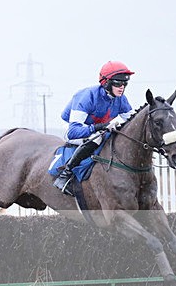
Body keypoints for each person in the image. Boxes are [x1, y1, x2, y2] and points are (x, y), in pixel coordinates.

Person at [53, 61, 135, 196]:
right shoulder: (87, 96)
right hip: (73, 127)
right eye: (117, 83)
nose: (122, 87)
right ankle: (64, 175)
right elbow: (74, 131)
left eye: (125, 84)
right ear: (106, 82)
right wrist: (101, 127)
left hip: (96, 128)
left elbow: (132, 121)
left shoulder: (121, 99)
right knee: (96, 139)